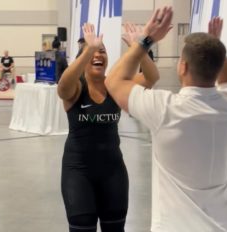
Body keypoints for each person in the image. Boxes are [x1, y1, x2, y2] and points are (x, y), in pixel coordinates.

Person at [106, 6, 227, 232]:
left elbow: (113, 82)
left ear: (183, 67)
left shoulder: (164, 109)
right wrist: (214, 50)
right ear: (217, 67)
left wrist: (144, 41)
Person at [57, 22, 159, 232]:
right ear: (82, 58)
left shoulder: (115, 86)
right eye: (93, 52)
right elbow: (62, 86)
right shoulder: (76, 88)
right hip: (78, 173)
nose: (98, 55)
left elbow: (152, 78)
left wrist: (140, 47)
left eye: (102, 52)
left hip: (113, 172)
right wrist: (89, 49)